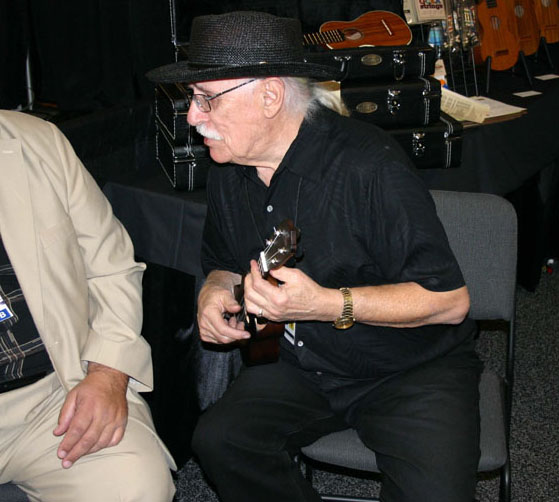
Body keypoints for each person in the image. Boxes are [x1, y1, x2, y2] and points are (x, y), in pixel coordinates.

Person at [147, 10, 482, 502]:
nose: (194, 117)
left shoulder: (369, 167)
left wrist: (326, 305)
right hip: (306, 361)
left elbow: (450, 301)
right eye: (192, 100)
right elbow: (220, 258)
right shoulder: (230, 163)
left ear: (269, 96)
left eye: (205, 99)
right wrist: (214, 291)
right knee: (220, 441)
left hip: (411, 367)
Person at [0, 110, 175, 501]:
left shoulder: (36, 140)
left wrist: (109, 372)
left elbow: (112, 266)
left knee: (136, 485)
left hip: (56, 392)